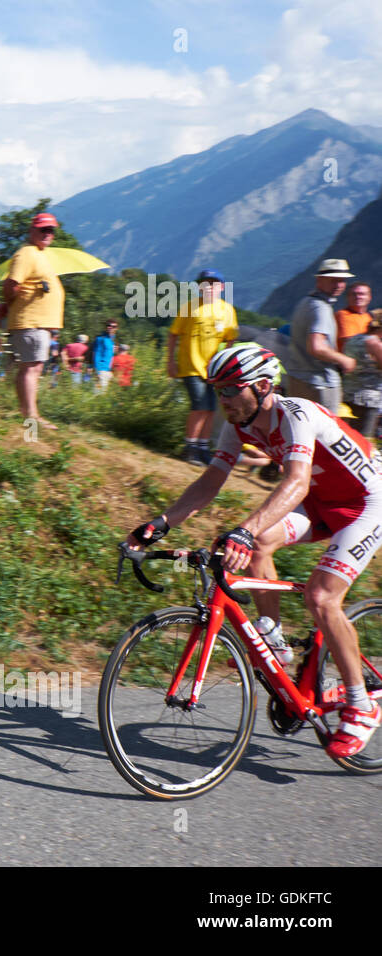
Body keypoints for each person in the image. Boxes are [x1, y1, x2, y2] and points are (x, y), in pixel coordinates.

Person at [125, 344, 381, 758]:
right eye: (217, 390)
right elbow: (211, 482)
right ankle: (274, 638)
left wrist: (244, 530)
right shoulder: (240, 421)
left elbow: (295, 483)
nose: (222, 400)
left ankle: (361, 704)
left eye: (230, 389)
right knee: (261, 540)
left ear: (262, 386)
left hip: (366, 503)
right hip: (321, 500)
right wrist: (160, 524)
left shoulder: (296, 414)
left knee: (321, 596)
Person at [0, 212, 64, 429]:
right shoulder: (26, 254)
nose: (48, 234)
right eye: (43, 229)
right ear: (32, 231)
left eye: (51, 230)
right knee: (31, 369)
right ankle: (31, 416)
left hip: (36, 324)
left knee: (33, 368)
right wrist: (7, 305)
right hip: (30, 322)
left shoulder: (39, 254)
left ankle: (28, 412)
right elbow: (11, 284)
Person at [167, 268, 237, 465]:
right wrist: (170, 361)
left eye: (213, 284)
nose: (209, 287)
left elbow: (230, 339)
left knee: (211, 408)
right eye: (204, 283)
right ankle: (190, 448)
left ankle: (203, 448)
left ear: (221, 287)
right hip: (190, 365)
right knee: (200, 405)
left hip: (213, 369)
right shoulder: (189, 307)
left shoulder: (227, 310)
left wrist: (221, 363)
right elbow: (173, 334)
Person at [284, 258, 357, 415]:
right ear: (319, 281)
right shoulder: (321, 309)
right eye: (333, 280)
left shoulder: (305, 303)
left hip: (297, 378)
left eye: (342, 281)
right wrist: (344, 360)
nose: (339, 285)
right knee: (326, 433)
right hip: (320, 383)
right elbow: (316, 347)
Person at [340, 315, 382, 438]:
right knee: (364, 439)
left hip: (348, 394)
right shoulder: (374, 343)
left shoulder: (353, 339)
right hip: (368, 400)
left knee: (348, 436)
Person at [92, 320, 118, 391]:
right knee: (99, 394)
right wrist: (97, 371)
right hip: (101, 371)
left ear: (116, 328)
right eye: (109, 326)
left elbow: (110, 356)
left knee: (106, 395)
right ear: (106, 327)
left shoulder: (112, 341)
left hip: (108, 371)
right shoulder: (100, 339)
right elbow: (96, 355)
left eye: (114, 326)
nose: (111, 328)